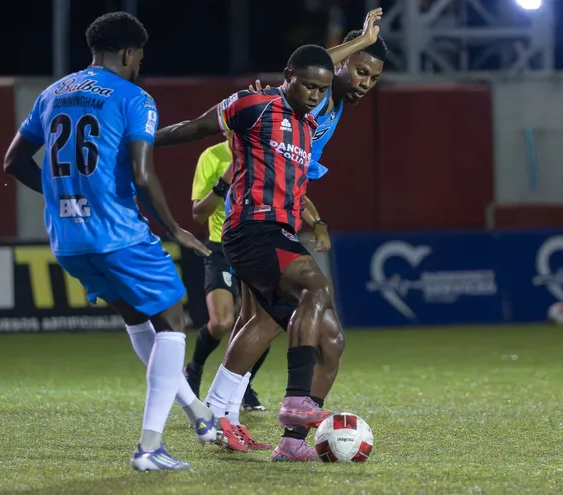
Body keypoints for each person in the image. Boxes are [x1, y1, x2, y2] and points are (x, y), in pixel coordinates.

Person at [2, 12, 219, 472]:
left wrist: (65, 192)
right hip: (118, 233)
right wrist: (174, 229)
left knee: (141, 318)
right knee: (175, 321)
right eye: (139, 55)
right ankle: (150, 447)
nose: (139, 63)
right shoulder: (134, 97)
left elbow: (13, 162)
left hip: (68, 239)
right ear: (128, 52)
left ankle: (199, 414)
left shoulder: (53, 93)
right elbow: (142, 172)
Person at [197, 12, 388, 461]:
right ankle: (231, 415)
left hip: (275, 215)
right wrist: (356, 41)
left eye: (374, 78)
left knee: (265, 320)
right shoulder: (315, 97)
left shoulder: (332, 104)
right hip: (258, 218)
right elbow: (307, 70)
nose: (364, 83)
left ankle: (260, 430)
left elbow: (295, 169)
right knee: (283, 317)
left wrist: (311, 215)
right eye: (359, 70)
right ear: (335, 67)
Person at [153, 44, 338, 454]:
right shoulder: (252, 104)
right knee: (316, 288)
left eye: (321, 89)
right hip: (251, 227)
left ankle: (232, 419)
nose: (314, 94)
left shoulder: (308, 126)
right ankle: (294, 400)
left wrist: (314, 221)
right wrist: (142, 142)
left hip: (278, 231)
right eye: (307, 85)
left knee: (278, 327)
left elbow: (295, 184)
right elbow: (194, 127)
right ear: (286, 74)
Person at [186, 131, 271, 416]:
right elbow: (199, 213)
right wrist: (225, 180)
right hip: (221, 247)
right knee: (222, 322)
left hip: (257, 246)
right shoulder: (213, 156)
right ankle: (195, 368)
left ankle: (242, 383)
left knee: (264, 322)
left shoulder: (266, 152)